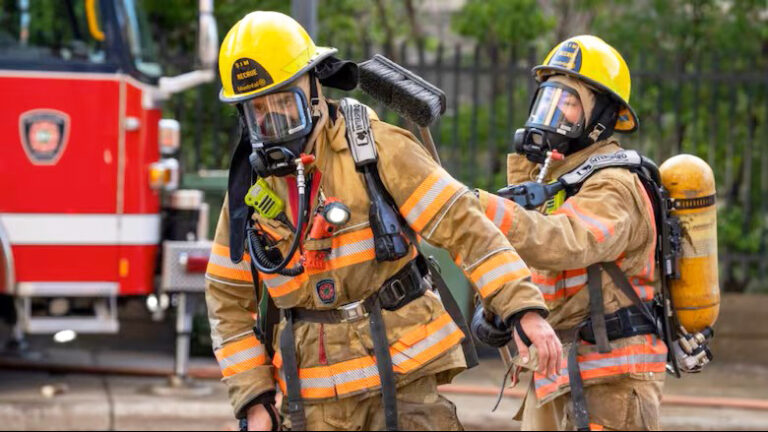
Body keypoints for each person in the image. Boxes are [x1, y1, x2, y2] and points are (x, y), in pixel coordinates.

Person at [205, 11, 561, 431]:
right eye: (258, 110)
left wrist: (523, 310)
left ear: (315, 86)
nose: (274, 122)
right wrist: (254, 399)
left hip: (404, 385)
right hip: (314, 406)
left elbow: (467, 228)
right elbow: (227, 300)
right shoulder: (250, 190)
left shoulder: (377, 150)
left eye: (286, 103)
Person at [474, 35, 667, 431]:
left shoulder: (615, 185)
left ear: (600, 119)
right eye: (550, 96)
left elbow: (562, 242)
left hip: (611, 380)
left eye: (570, 101)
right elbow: (529, 261)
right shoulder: (557, 183)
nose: (555, 111)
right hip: (557, 372)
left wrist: (474, 206)